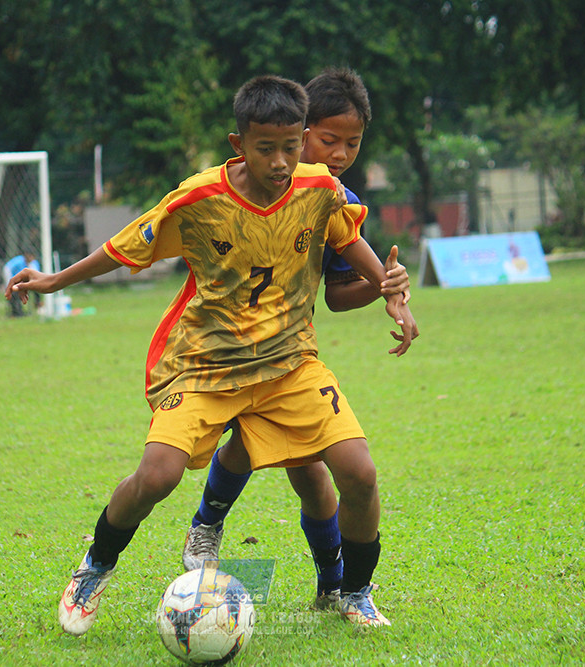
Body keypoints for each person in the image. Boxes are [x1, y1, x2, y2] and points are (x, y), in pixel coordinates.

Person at [5, 75, 416, 634]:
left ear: (302, 140)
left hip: (289, 363)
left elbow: (347, 238)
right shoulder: (199, 198)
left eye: (291, 148)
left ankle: (355, 592)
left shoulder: (320, 187)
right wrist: (54, 281)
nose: (280, 162)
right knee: (157, 476)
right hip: (204, 364)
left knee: (359, 474)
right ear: (237, 143)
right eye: (266, 148)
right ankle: (94, 567)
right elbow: (124, 247)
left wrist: (390, 288)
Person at [181, 68, 408, 616]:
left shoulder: (334, 197)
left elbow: (338, 293)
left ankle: (336, 586)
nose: (339, 153)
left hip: (289, 353)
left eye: (352, 143)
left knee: (315, 477)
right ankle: (209, 523)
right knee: (298, 464)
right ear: (301, 132)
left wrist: (386, 289)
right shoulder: (251, 180)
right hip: (225, 349)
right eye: (328, 139)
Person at [2, 252, 39, 316]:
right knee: (14, 294)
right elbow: (7, 269)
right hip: (15, 282)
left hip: (26, 283)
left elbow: (37, 275)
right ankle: (17, 312)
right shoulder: (19, 261)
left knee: (38, 289)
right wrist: (8, 284)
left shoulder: (34, 263)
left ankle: (38, 305)